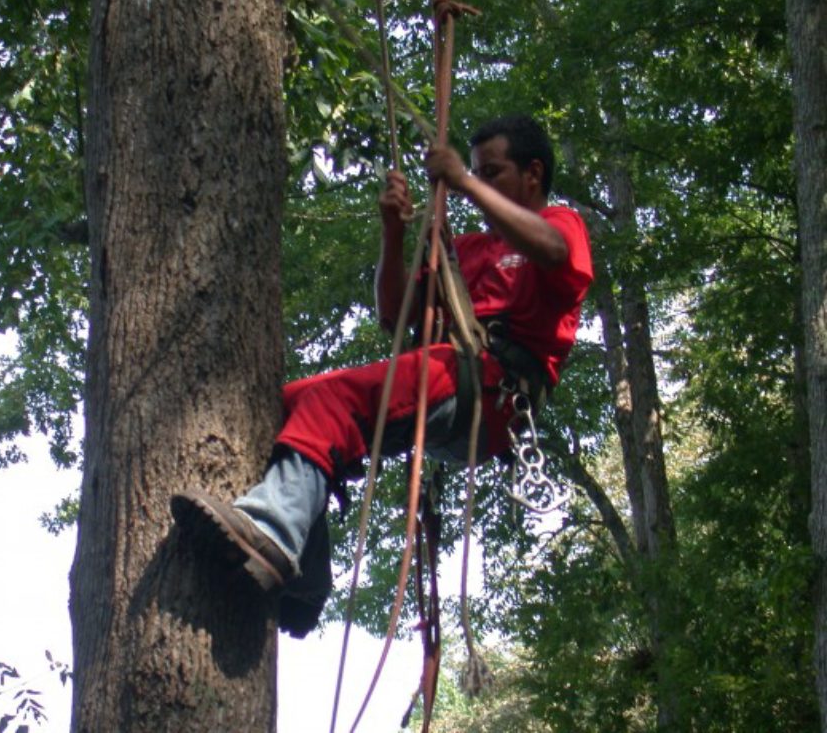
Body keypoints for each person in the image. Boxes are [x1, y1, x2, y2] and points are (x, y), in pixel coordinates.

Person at [171, 115, 593, 635]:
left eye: (493, 173)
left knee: (334, 399)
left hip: (491, 384)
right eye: (477, 174)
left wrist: (461, 180)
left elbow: (553, 253)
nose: (479, 184)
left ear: (533, 173)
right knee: (288, 402)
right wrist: (393, 231)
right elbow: (396, 315)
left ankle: (274, 532)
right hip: (450, 377)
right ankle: (304, 580)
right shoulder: (467, 249)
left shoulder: (558, 223)